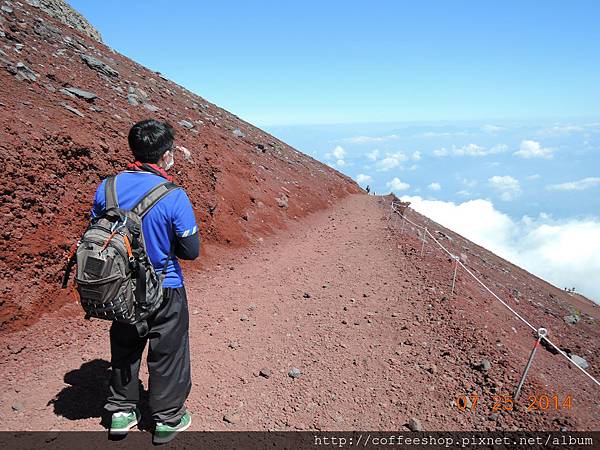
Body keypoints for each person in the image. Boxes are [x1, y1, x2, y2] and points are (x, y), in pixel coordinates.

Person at [90, 119, 199, 444]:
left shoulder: (106, 188)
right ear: (166, 155)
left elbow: (99, 235)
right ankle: (168, 419)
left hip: (119, 288)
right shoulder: (173, 195)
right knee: (168, 351)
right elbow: (190, 251)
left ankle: (121, 411)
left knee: (125, 347)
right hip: (165, 287)